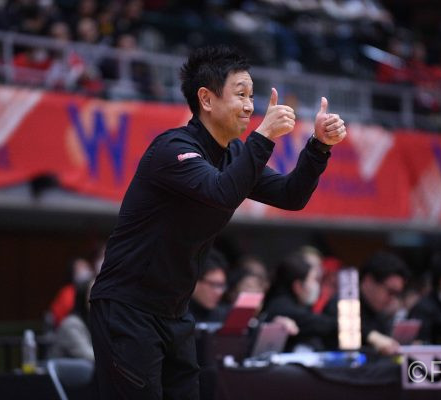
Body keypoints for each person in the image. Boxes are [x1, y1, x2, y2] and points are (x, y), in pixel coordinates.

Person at [89, 45, 347, 400]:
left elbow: (291, 195)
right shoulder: (172, 149)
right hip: (127, 308)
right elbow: (220, 192)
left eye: (252, 96)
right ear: (206, 99)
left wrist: (319, 147)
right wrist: (263, 137)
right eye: (240, 94)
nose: (250, 106)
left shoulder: (234, 154)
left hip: (175, 312)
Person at [323, 250, 410, 355]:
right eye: (390, 292)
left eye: (397, 294)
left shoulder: (380, 314)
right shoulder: (342, 305)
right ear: (369, 281)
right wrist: (372, 336)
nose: (393, 299)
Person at [262, 251, 337, 351]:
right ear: (298, 286)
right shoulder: (283, 307)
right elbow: (323, 324)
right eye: (313, 280)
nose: (316, 285)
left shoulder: (297, 304)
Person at [48, 279, 95, 361]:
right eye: (93, 293)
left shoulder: (97, 321)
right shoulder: (71, 324)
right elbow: (89, 356)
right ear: (83, 296)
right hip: (66, 369)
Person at [189, 250, 230, 323]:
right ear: (195, 282)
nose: (220, 292)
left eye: (222, 286)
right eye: (214, 285)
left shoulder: (223, 316)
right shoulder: (177, 317)